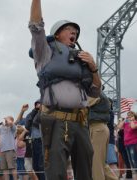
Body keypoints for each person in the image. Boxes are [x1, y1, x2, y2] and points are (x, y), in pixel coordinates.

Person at [28, 0, 101, 179]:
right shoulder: (45, 52)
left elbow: (95, 92)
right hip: (55, 121)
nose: (73, 32)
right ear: (57, 34)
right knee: (56, 170)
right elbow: (36, 26)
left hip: (80, 122)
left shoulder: (81, 59)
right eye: (68, 28)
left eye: (75, 31)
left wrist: (93, 67)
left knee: (86, 169)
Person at [88, 92, 118, 180]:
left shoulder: (95, 93)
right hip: (96, 128)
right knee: (101, 164)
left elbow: (82, 103)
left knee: (96, 165)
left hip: (97, 128)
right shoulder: (96, 92)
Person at [117, 111, 137, 180]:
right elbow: (119, 127)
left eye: (131, 116)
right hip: (126, 144)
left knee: (134, 161)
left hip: (133, 144)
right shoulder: (126, 123)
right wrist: (123, 120)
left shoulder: (135, 122)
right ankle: (134, 176)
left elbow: (133, 127)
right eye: (128, 116)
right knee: (130, 161)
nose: (129, 117)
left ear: (134, 116)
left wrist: (132, 120)